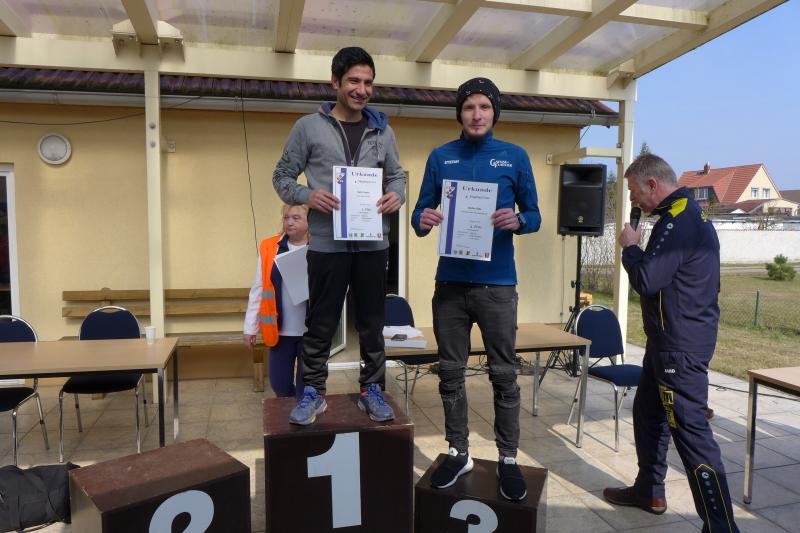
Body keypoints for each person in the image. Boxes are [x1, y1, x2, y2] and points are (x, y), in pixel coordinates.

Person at [411, 77, 541, 501]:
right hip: (450, 285)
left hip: (497, 286)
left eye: (484, 107)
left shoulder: (515, 156)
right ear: (460, 113)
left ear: (494, 112)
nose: (477, 114)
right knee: (451, 372)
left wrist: (519, 220)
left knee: (504, 374)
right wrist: (422, 219)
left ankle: (508, 458)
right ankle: (458, 451)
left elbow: (535, 214)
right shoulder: (440, 157)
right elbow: (419, 213)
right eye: (469, 107)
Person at [604, 153, 739, 532]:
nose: (633, 200)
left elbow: (647, 280)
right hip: (667, 342)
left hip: (679, 347)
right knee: (648, 414)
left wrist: (631, 247)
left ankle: (721, 525)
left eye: (634, 191)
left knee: (692, 434)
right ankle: (649, 491)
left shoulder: (678, 221)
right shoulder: (682, 215)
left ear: (652, 183)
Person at [273, 46, 406, 425]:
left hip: (372, 244)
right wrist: (307, 196)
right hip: (327, 245)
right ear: (335, 82)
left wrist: (397, 194)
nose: (362, 90)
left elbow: (396, 175)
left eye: (368, 82)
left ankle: (372, 389)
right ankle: (313, 392)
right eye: (353, 81)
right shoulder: (308, 128)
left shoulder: (383, 131)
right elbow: (281, 177)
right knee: (321, 322)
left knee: (372, 323)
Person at [243, 204, 309, 399]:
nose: (289, 222)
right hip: (280, 331)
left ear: (310, 221)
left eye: (296, 218)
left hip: (312, 333)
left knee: (308, 388)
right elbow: (259, 288)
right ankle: (291, 408)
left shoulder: (321, 247)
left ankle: (303, 412)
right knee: (279, 385)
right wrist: (250, 327)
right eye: (286, 217)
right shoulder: (269, 247)